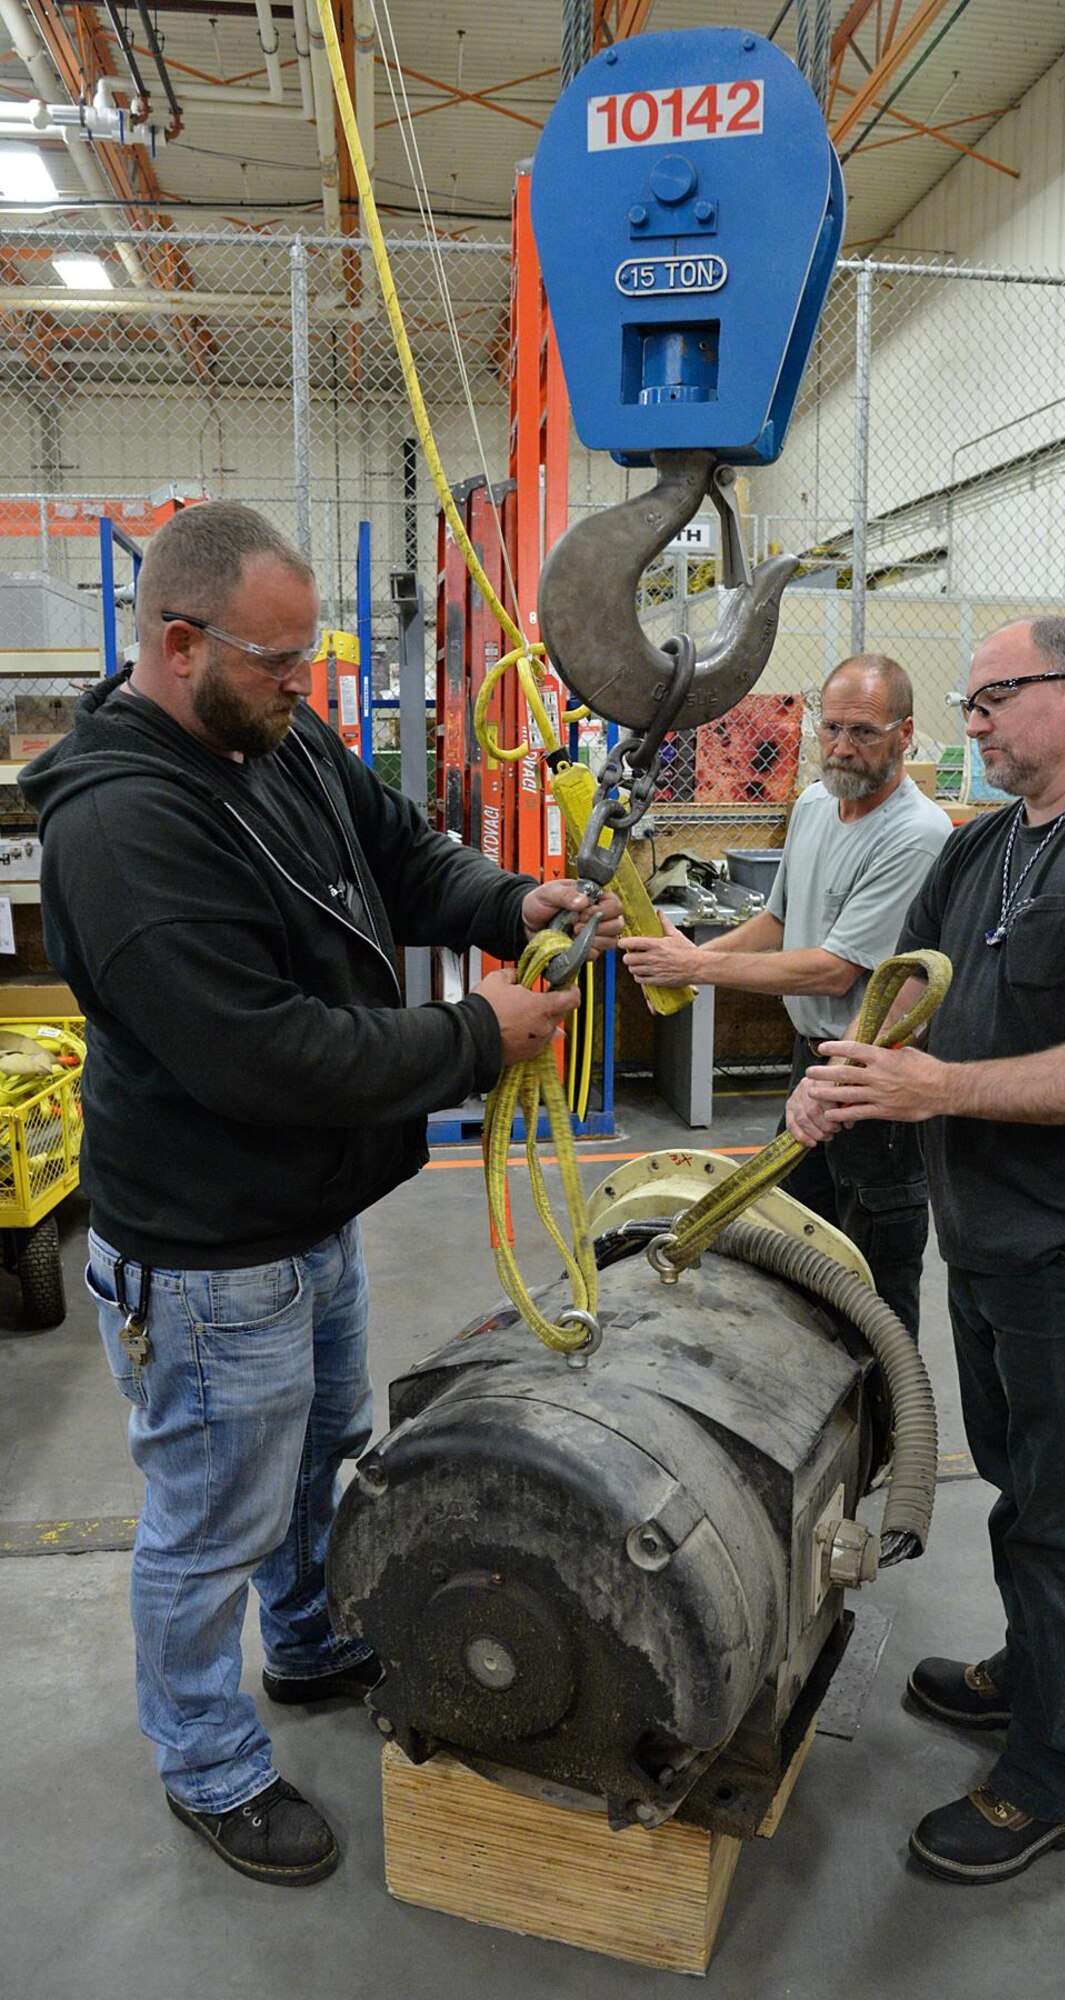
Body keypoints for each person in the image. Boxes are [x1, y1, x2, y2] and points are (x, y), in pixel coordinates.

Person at [20, 501, 621, 1889]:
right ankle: (207, 1764)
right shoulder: (124, 828)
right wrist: (476, 1038)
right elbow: (264, 1053)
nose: (309, 690)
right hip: (211, 1245)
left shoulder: (270, 738)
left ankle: (302, 1643)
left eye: (314, 661)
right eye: (282, 663)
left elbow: (402, 857)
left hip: (304, 1217)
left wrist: (508, 901)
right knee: (207, 1519)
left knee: (311, 1458)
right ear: (180, 644)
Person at [787, 616, 1065, 1885]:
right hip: (986, 1236)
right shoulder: (987, 844)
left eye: (994, 698)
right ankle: (1028, 1670)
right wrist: (841, 1073)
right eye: (968, 702)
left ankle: (1054, 1773)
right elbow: (901, 987)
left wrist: (933, 1091)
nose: (971, 721)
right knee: (1018, 1479)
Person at [622, 654, 952, 1337]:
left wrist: (696, 970)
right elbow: (775, 924)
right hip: (813, 1064)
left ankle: (890, 1427)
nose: (839, 747)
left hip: (874, 1082)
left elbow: (833, 970)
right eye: (828, 728)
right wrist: (683, 960)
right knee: (790, 1245)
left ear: (906, 733)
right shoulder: (809, 805)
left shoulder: (916, 836)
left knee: (874, 1281)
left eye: (861, 731)